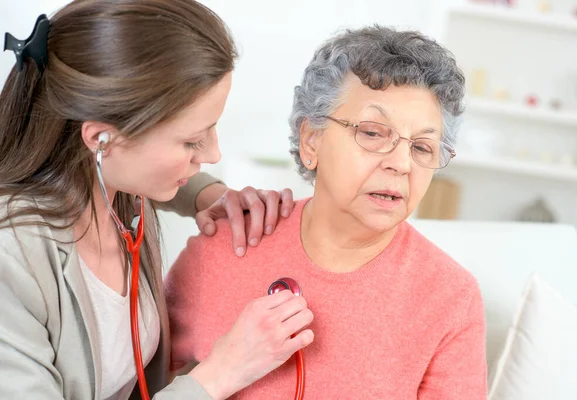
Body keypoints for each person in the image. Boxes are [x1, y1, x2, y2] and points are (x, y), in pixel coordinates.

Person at [0, 1, 314, 399]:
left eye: (212, 128)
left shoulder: (112, 185)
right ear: (100, 139)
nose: (213, 154)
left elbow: (152, 167)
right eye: (191, 140)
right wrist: (220, 375)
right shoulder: (12, 260)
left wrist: (213, 196)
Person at [166, 26, 487, 399]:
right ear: (311, 141)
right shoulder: (224, 246)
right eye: (372, 133)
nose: (401, 163)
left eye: (422, 147)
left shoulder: (452, 298)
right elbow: (144, 387)